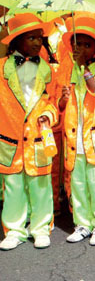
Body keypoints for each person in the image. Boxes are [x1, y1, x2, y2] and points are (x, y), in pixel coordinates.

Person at [58, 15, 95, 246]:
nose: (81, 48)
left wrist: (83, 69)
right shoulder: (66, 67)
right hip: (74, 136)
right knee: (77, 182)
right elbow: (60, 104)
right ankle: (82, 223)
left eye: (86, 44)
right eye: (77, 43)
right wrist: (62, 100)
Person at [0, 14, 58, 250]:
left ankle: (41, 228)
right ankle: (14, 229)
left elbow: (52, 102)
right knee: (13, 185)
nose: (37, 43)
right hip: (10, 137)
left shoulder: (49, 70)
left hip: (38, 137)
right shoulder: (2, 68)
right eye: (31, 38)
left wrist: (49, 116)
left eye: (40, 38)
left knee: (40, 184)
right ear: (16, 41)